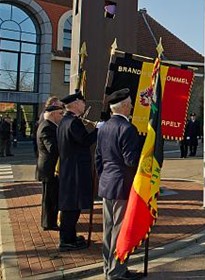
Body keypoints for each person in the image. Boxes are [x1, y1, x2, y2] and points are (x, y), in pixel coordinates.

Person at [95, 89, 142, 280]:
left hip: (107, 183)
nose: (131, 106)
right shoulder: (127, 129)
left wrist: (105, 176)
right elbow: (131, 161)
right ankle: (116, 272)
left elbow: (98, 158)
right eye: (130, 103)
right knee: (120, 230)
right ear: (123, 106)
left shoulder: (104, 127)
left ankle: (109, 267)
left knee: (108, 229)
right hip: (122, 184)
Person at [57, 91, 98, 251]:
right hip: (74, 170)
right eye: (82, 102)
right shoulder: (73, 122)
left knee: (72, 205)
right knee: (72, 206)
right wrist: (98, 130)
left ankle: (70, 236)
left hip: (70, 169)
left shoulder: (65, 121)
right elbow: (85, 141)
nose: (84, 105)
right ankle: (66, 240)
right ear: (74, 104)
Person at [36, 103, 65, 231]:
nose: (61, 116)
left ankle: (50, 221)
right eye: (60, 114)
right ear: (53, 114)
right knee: (49, 198)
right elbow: (52, 148)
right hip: (48, 168)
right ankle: (48, 223)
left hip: (50, 167)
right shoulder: (47, 127)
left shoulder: (50, 126)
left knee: (51, 196)